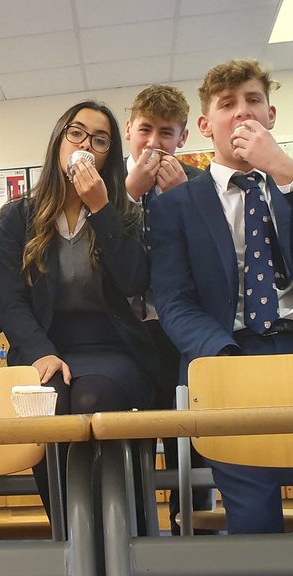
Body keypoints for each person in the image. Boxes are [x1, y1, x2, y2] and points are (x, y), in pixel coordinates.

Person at [148, 59, 293, 534]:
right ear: (205, 125)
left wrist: (287, 175)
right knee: (252, 522)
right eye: (227, 104)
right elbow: (174, 301)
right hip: (232, 356)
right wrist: (221, 356)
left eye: (253, 101)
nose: (243, 112)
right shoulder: (176, 206)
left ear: (271, 115)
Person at [0, 100, 156, 517]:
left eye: (100, 140)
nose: (85, 145)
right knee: (46, 402)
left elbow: (133, 281)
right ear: (59, 141)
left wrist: (101, 210)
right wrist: (40, 352)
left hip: (112, 348)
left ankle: (117, 527)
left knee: (91, 397)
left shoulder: (123, 213)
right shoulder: (18, 216)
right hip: (45, 348)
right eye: (77, 133)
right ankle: (70, 531)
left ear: (108, 157)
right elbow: (10, 299)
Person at [121, 84, 212, 527]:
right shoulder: (104, 186)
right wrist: (128, 196)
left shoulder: (200, 185)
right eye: (145, 130)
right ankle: (137, 536)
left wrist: (183, 202)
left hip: (185, 332)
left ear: (183, 138)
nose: (154, 143)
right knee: (135, 441)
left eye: (166, 133)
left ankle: (195, 534)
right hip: (127, 333)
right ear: (128, 130)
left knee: (191, 439)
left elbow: (212, 263)